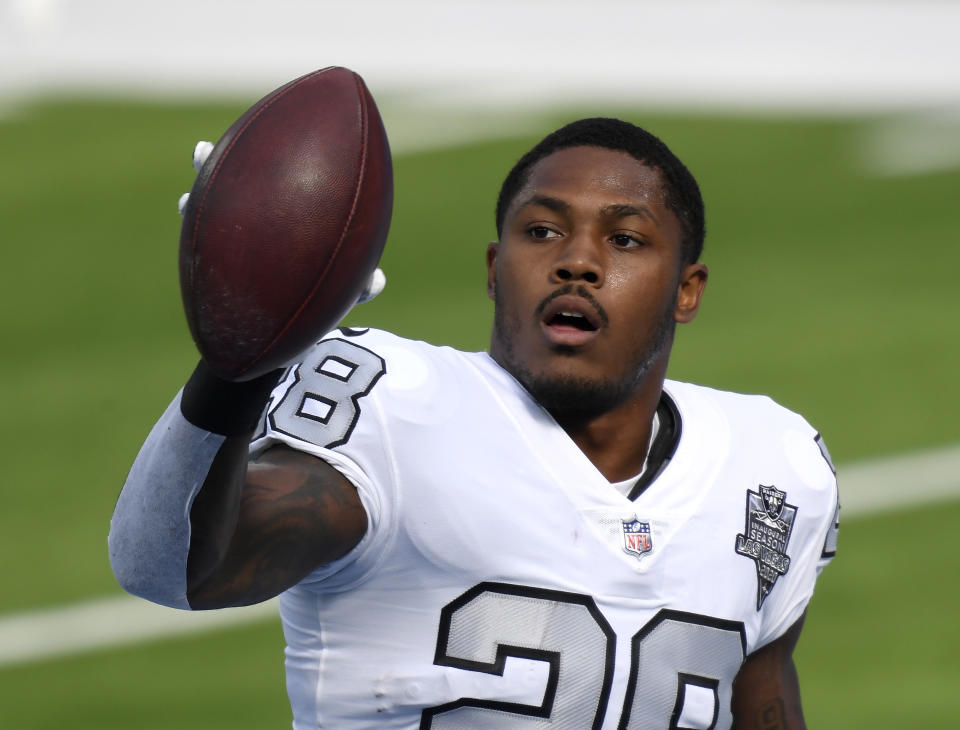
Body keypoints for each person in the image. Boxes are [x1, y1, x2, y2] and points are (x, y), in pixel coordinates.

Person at [109, 117, 839, 729]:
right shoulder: (397, 406)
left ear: (687, 289)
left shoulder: (773, 465)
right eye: (543, 231)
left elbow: (764, 696)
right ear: (495, 269)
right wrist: (239, 365)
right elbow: (172, 569)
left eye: (624, 239)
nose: (577, 262)